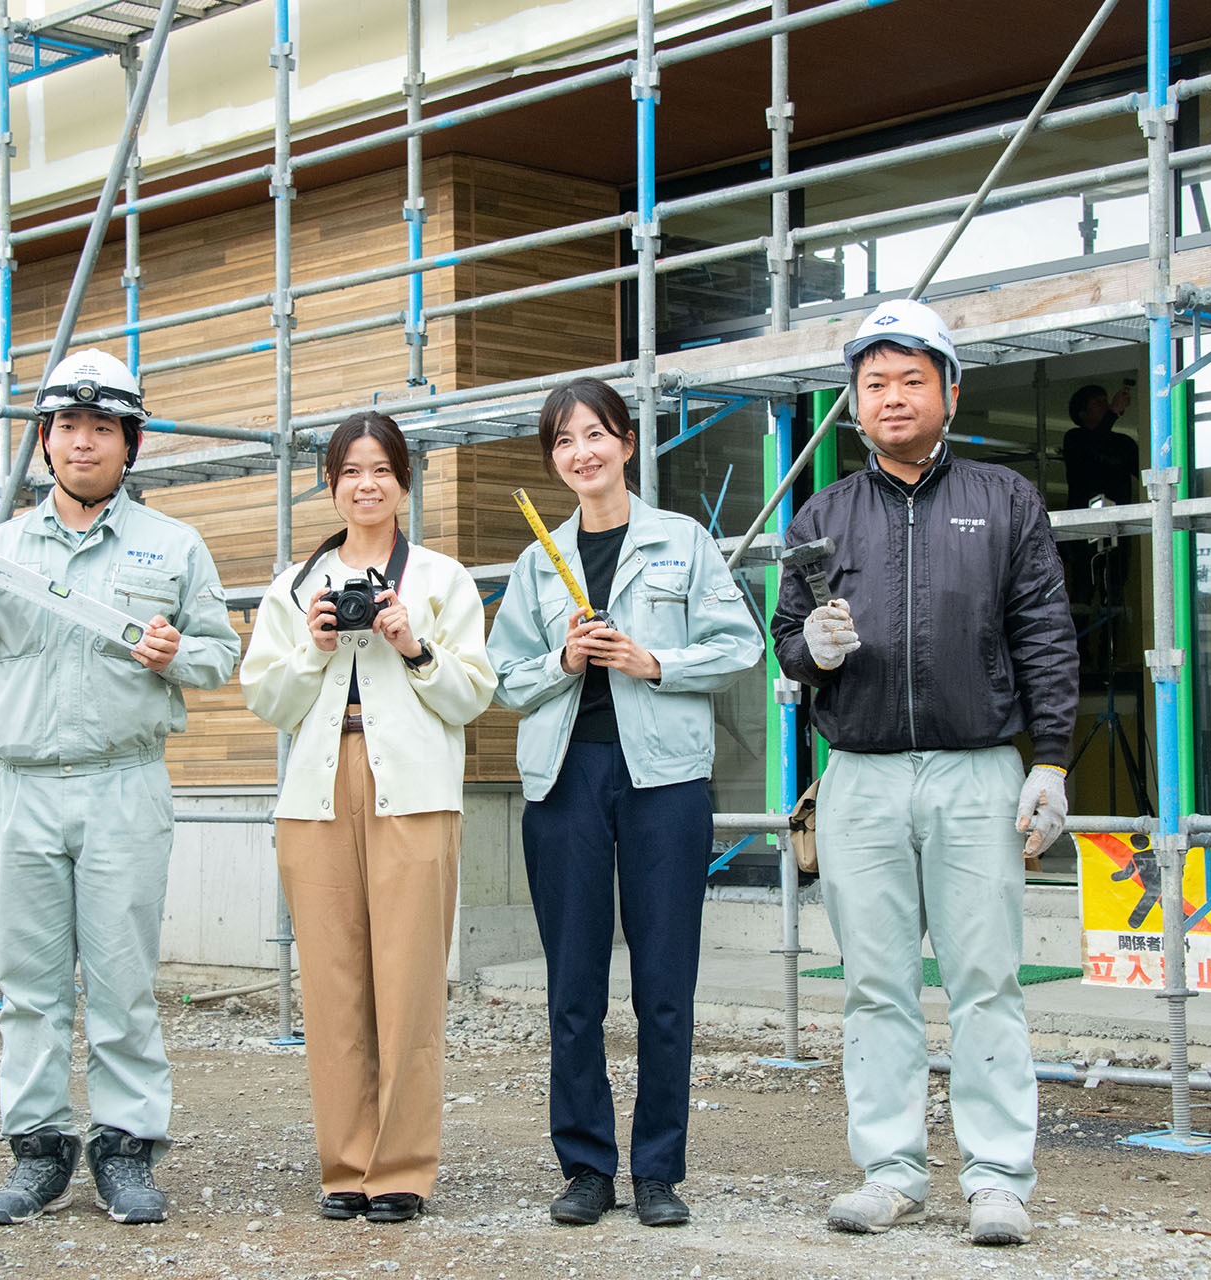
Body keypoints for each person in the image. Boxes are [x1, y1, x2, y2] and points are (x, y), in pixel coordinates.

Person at [768, 299, 1078, 1247]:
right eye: (874, 384)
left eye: (911, 379)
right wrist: (809, 651)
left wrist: (1051, 763)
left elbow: (1044, 634)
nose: (892, 398)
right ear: (854, 406)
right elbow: (784, 639)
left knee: (987, 977)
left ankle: (996, 1179)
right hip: (858, 776)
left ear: (948, 388)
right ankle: (891, 1171)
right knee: (876, 981)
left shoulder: (1004, 499)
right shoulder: (824, 513)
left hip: (975, 770)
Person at [0, 347, 243, 1226]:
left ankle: (125, 1148)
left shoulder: (173, 546)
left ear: (129, 444)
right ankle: (36, 1150)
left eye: (102, 427)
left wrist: (180, 654)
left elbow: (223, 655)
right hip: (23, 786)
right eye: (68, 425)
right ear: (45, 439)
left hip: (123, 784)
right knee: (29, 983)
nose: (83, 442)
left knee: (120, 981)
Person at [487, 378, 762, 1229]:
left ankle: (657, 1170)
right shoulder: (539, 560)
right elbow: (503, 678)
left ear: (628, 444)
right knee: (573, 984)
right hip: (567, 780)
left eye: (597, 434)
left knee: (664, 984)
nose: (583, 453)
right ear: (554, 459)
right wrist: (565, 661)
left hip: (665, 780)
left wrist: (653, 662)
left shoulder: (681, 542)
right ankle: (585, 1167)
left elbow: (741, 643)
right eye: (565, 441)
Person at [239, 411, 496, 1225]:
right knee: (334, 986)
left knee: (410, 983)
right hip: (315, 796)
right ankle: (345, 1164)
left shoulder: (443, 579)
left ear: (404, 481)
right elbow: (266, 700)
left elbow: (474, 694)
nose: (366, 483)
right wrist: (315, 644)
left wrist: (414, 646)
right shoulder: (292, 586)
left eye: (381, 468)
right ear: (330, 484)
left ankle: (402, 1170)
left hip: (415, 794)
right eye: (349, 470)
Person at [1060, 380, 1138, 619]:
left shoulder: (1124, 444)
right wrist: (1112, 414)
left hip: (1117, 528)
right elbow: (1092, 450)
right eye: (1098, 402)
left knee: (1114, 591)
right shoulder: (1074, 439)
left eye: (1107, 401)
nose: (1105, 405)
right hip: (1083, 530)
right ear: (1082, 413)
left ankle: (1109, 652)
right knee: (1083, 589)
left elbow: (1144, 471)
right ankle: (1082, 652)